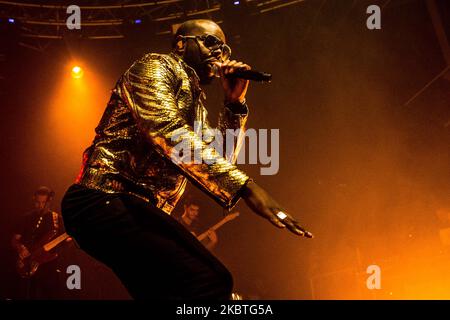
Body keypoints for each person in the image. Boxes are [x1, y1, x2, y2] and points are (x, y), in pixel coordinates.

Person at [61, 19, 311, 300]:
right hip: (103, 198)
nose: (221, 54)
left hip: (134, 210)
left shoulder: (196, 105)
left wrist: (234, 103)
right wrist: (247, 188)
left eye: (225, 50)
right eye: (212, 43)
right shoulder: (156, 66)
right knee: (211, 280)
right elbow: (166, 131)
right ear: (181, 43)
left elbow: (219, 161)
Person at [11, 186, 66, 299]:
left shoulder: (57, 219)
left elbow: (66, 241)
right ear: (33, 200)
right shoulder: (26, 218)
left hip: (48, 265)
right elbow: (14, 239)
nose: (40, 206)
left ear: (49, 202)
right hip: (27, 264)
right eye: (37, 202)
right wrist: (21, 248)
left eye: (43, 203)